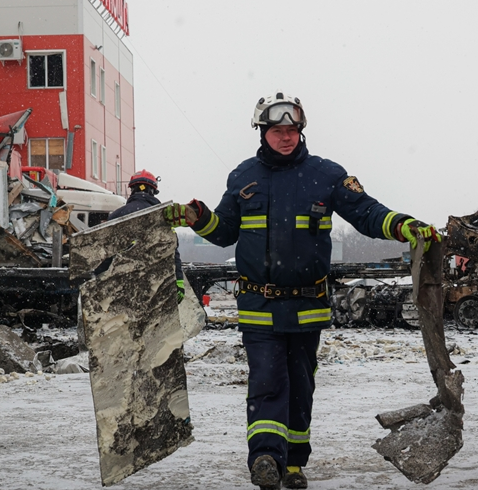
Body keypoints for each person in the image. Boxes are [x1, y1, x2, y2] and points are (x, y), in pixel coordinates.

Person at [164, 93, 439, 490]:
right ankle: (264, 458)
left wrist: (404, 226)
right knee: (266, 380)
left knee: (300, 385)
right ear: (263, 132)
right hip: (259, 304)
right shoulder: (244, 178)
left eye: (292, 130)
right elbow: (224, 232)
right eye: (278, 130)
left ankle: (293, 463)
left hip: (308, 304)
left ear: (301, 130)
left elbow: (366, 212)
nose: (286, 137)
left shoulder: (327, 175)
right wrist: (200, 218)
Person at [109, 170, 186, 301]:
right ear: (153, 191)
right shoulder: (163, 216)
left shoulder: (116, 215)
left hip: (121, 284)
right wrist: (178, 282)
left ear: (132, 190)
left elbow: (105, 252)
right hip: (156, 284)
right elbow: (172, 251)